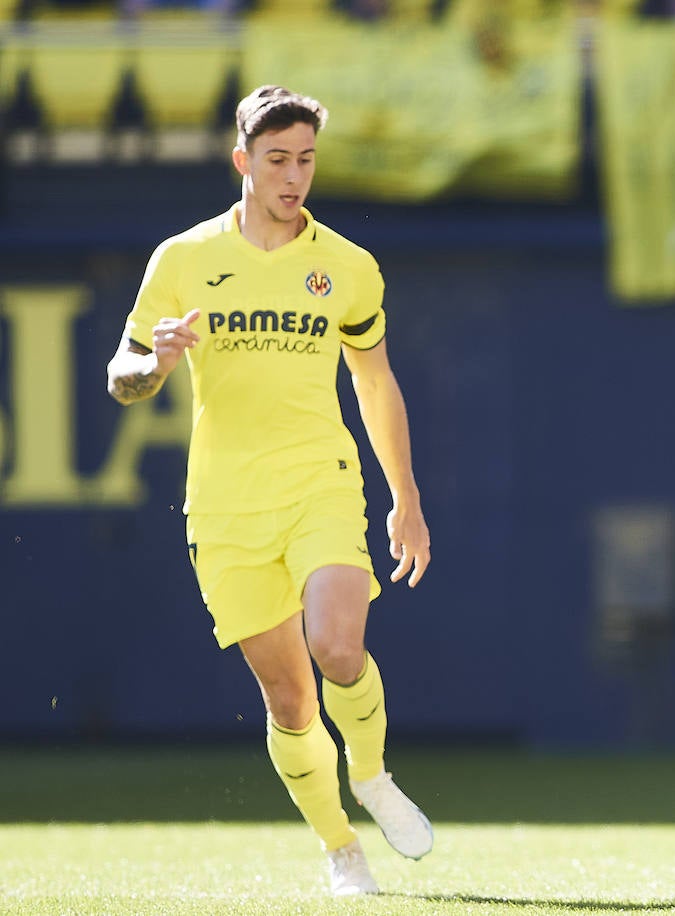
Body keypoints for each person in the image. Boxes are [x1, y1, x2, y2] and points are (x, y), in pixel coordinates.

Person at [106, 85, 434, 897]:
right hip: (223, 504)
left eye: (307, 160)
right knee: (290, 700)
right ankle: (339, 848)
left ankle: (371, 773)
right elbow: (123, 376)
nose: (295, 177)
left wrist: (406, 496)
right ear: (242, 161)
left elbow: (375, 381)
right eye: (279, 160)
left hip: (321, 481)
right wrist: (158, 363)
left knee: (338, 647)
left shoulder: (347, 266)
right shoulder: (183, 260)